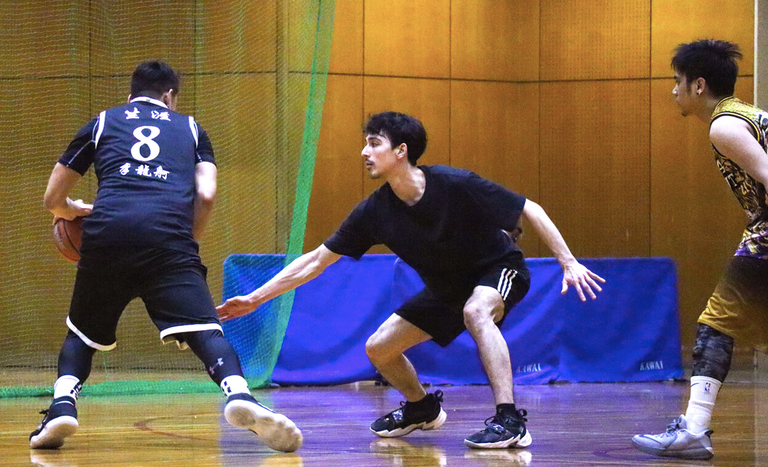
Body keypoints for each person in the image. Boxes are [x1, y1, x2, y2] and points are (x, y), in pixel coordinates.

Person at [217, 111, 604, 449]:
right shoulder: (374, 212)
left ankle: (510, 420)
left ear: (401, 151)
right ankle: (421, 407)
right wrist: (256, 297)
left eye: (374, 144)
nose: (364, 153)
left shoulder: (455, 183)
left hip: (498, 269)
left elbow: (528, 209)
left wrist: (567, 262)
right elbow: (316, 261)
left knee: (477, 311)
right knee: (379, 348)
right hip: (445, 289)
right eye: (365, 144)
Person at [30, 61, 302, 453]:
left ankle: (61, 406)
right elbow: (206, 195)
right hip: (169, 239)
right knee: (205, 330)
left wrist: (73, 210)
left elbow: (52, 200)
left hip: (108, 233)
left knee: (82, 333)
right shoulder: (192, 130)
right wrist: (183, 243)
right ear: (170, 96)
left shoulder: (103, 122)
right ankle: (239, 394)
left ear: (130, 95)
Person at [632, 40, 768, 460]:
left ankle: (693, 431)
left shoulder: (724, 125)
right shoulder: (748, 114)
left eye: (678, 82)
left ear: (699, 85)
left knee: (716, 324)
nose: (674, 90)